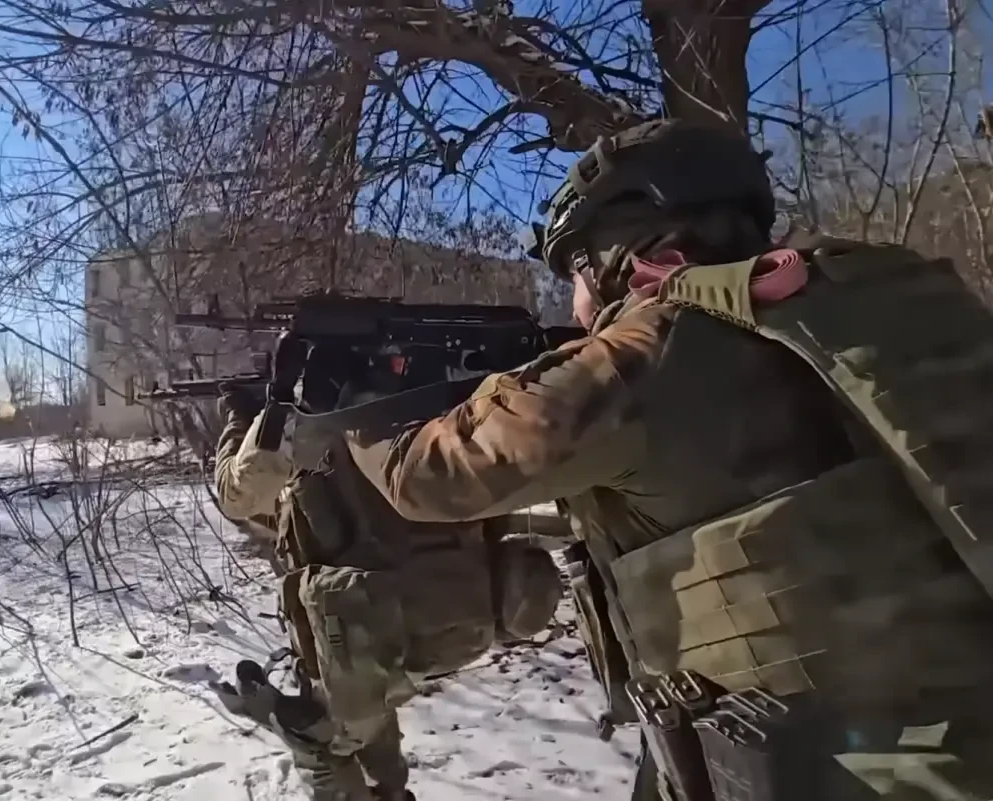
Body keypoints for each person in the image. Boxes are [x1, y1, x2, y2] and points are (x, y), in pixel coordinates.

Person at [335, 118, 993, 800]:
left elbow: (435, 476)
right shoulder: (867, 300)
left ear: (618, 253)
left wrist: (357, 409)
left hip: (829, 767)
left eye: (575, 270)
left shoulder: (651, 352)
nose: (578, 306)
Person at [210, 359, 564, 801]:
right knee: (369, 700)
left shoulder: (311, 421)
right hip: (459, 622)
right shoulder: (449, 402)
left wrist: (241, 418)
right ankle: (391, 790)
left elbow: (237, 497)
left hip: (369, 631)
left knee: (318, 739)